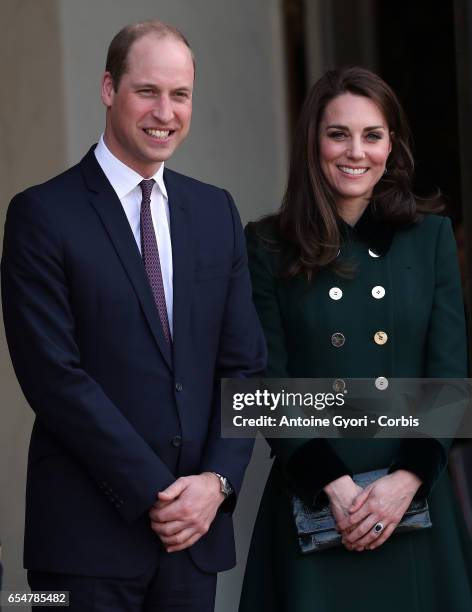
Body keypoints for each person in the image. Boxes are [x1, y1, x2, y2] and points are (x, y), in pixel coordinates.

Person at [1, 20, 266, 612]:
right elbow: (54, 377)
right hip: (82, 546)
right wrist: (157, 491)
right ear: (108, 89)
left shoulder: (215, 212)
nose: (165, 112)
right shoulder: (41, 214)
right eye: (147, 91)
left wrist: (216, 484)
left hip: (192, 543)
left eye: (181, 94)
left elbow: (245, 366)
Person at [239, 66, 472, 612]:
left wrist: (405, 481)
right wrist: (335, 487)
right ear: (313, 142)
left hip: (413, 502)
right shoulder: (267, 244)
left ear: (392, 146)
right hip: (314, 503)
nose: (356, 151)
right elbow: (263, 382)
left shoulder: (430, 238)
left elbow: (450, 377)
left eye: (372, 135)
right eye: (338, 133)